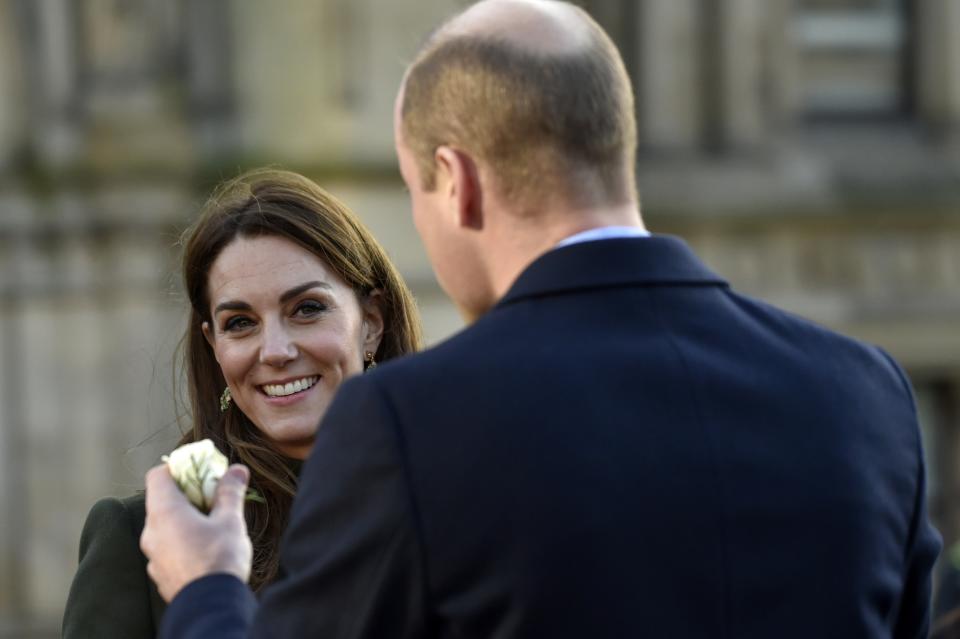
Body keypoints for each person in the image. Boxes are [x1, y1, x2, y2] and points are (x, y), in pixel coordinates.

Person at [141, 1, 942, 637]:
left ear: (455, 183)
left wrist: (207, 585)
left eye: (416, 193)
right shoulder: (867, 391)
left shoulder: (408, 424)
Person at [61, 169, 422, 638]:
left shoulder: (460, 498)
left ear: (371, 321)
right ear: (213, 344)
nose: (275, 350)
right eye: (240, 322)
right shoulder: (141, 537)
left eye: (307, 309)